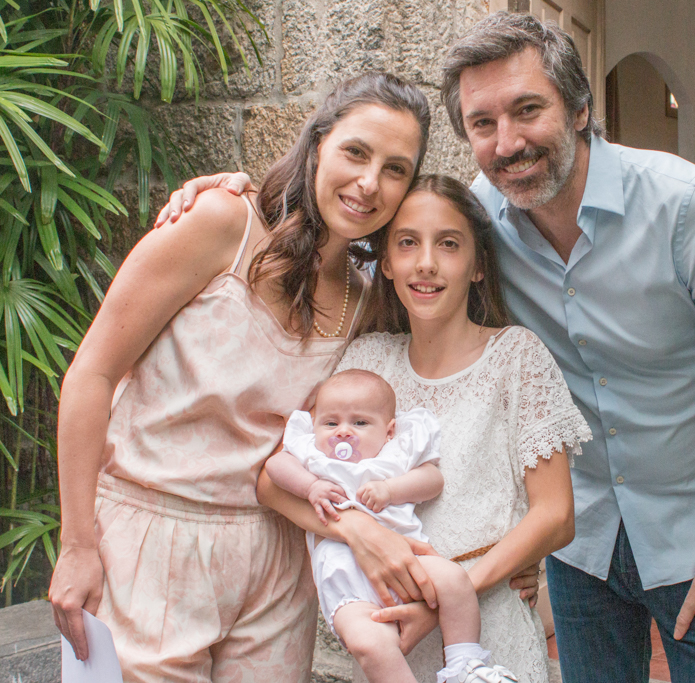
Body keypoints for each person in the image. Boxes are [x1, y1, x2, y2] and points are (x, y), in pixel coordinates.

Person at [160, 13, 695, 683]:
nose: (508, 142)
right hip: (584, 552)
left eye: (528, 110)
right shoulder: (480, 216)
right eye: (482, 123)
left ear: (581, 108)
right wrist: (237, 195)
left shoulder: (688, 210)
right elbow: (378, 225)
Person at [47, 72, 432, 682]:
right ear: (318, 143)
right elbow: (92, 373)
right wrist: (76, 544)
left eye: (395, 169)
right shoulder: (221, 224)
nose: (368, 183)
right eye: (356, 152)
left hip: (277, 559)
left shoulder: (369, 299)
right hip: (149, 536)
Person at [255, 174, 589, 683]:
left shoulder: (516, 357)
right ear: (386, 262)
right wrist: (357, 529)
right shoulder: (366, 361)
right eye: (407, 242)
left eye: (448, 244)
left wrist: (447, 597)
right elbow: (272, 483)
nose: (426, 262)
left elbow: (556, 515)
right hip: (386, 632)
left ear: (478, 265)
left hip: (484, 630)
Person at [266, 369, 519, 683]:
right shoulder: (312, 454)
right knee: (369, 644)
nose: (343, 432)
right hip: (347, 585)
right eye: (331, 423)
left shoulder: (395, 454)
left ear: (388, 431)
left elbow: (432, 480)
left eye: (360, 423)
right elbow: (274, 466)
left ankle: (464, 665)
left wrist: (391, 490)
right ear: (315, 424)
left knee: (454, 579)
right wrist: (309, 487)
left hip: (409, 564)